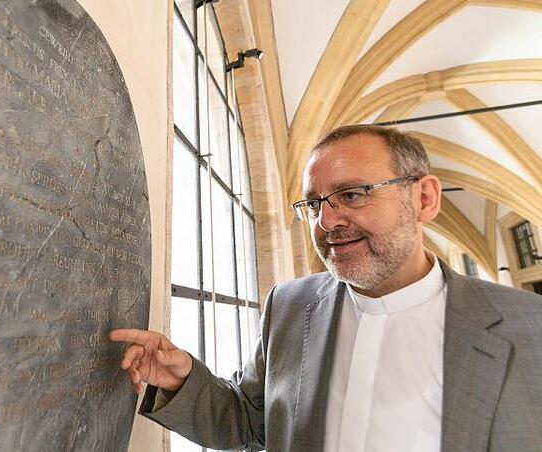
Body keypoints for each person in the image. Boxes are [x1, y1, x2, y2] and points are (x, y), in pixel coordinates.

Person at [110, 125, 542, 452]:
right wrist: (182, 382)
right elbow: (252, 421)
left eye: (352, 194)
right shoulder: (289, 306)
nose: (327, 221)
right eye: (313, 204)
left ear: (424, 199)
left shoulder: (530, 330)